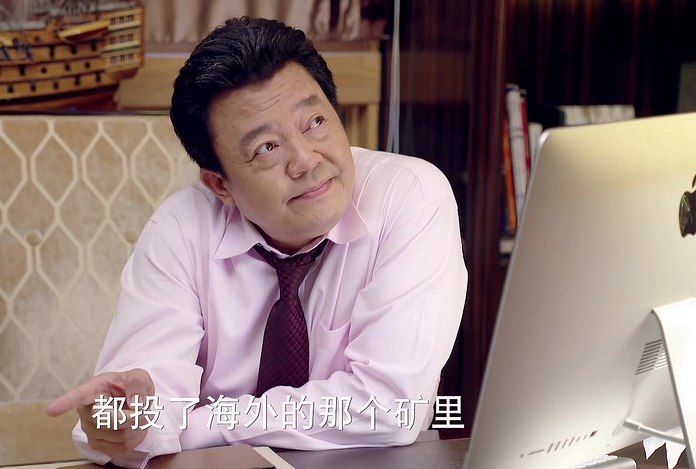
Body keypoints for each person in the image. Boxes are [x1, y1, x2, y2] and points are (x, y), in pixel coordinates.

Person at [47, 16, 467, 468]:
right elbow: (133, 413)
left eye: (315, 121)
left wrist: (191, 427)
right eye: (266, 147)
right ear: (220, 184)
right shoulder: (180, 230)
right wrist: (129, 426)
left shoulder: (410, 196)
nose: (305, 161)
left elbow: (389, 408)